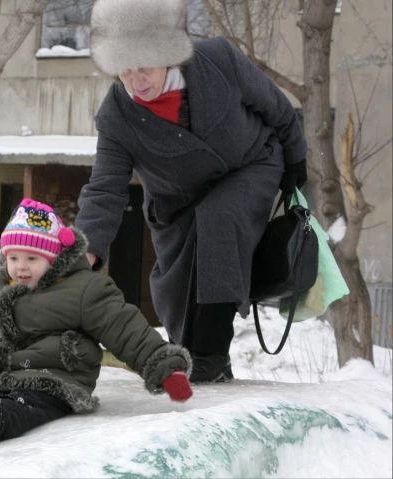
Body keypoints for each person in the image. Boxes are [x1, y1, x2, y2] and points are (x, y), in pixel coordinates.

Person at [75, 0, 308, 383]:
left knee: (220, 217)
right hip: (178, 202)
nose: (136, 80)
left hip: (252, 165)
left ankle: (212, 355)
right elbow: (104, 189)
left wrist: (296, 164)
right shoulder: (116, 115)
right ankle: (201, 362)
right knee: (179, 297)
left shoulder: (218, 60)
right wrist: (87, 249)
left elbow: (277, 108)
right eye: (125, 71)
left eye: (144, 68)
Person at [0, 198, 194, 463]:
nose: (20, 267)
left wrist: (165, 368)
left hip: (56, 380)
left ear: (54, 258)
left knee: (20, 407)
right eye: (14, 258)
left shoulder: (84, 289)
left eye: (32, 259)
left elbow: (125, 328)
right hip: (4, 374)